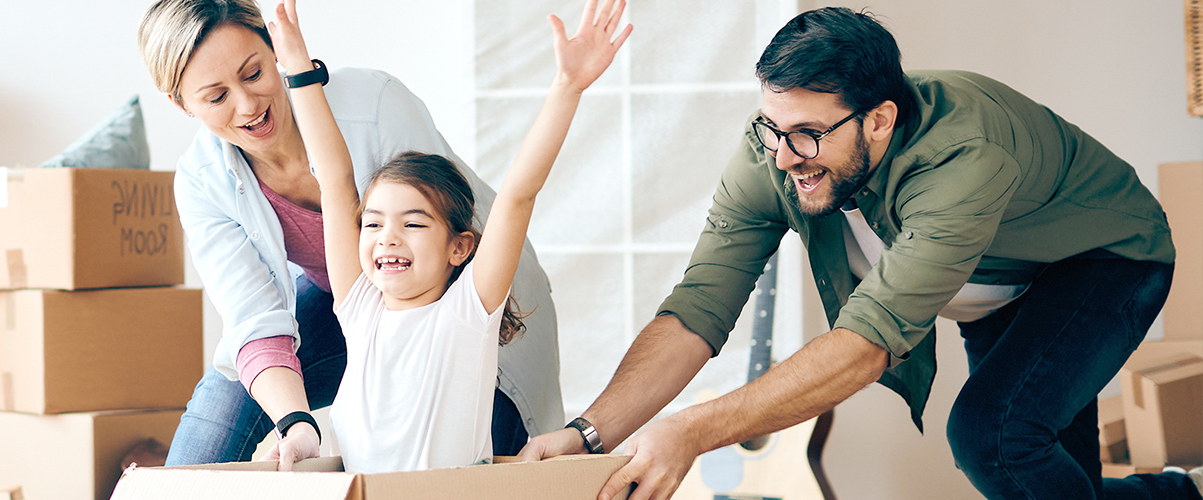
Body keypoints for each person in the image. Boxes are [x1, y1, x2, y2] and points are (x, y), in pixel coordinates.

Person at [513, 7, 1203, 500]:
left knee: (993, 439)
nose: (784, 157)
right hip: (993, 284)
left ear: (879, 119)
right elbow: (697, 311)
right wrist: (589, 433)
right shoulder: (775, 156)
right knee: (1039, 478)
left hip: (1104, 261)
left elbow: (866, 343)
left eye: (807, 133)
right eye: (771, 127)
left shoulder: (963, 160)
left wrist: (692, 431)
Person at [136, 0, 565, 470]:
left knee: (492, 447)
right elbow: (256, 317)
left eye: (254, 73)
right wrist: (296, 423)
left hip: (460, 286)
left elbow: (504, 203)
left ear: (273, 49)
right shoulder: (205, 183)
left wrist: (568, 86)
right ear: (180, 103)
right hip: (351, 299)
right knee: (217, 414)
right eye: (216, 97)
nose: (247, 105)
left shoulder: (375, 106)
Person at [264, 0, 628, 473]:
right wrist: (296, 68)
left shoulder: (466, 315)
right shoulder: (359, 310)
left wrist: (567, 87)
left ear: (460, 247)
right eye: (373, 223)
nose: (387, 238)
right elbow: (334, 178)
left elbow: (518, 194)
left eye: (412, 223)